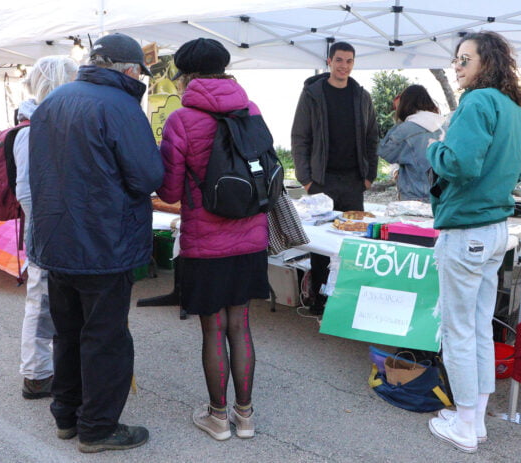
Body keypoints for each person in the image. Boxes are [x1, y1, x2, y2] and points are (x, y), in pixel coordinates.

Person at [28, 33, 165, 453]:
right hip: (105, 244)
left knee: (67, 334)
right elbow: (148, 177)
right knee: (105, 338)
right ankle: (98, 428)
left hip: (57, 239)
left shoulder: (53, 101)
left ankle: (67, 417)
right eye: (139, 71)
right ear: (128, 70)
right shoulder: (121, 106)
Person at [158, 37, 269, 441]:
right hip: (252, 238)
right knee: (240, 325)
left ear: (187, 75)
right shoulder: (251, 110)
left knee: (213, 329)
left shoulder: (181, 120)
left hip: (205, 242)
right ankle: (247, 417)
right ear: (224, 68)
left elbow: (169, 191)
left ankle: (218, 418)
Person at [426, 30, 521, 453]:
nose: (458, 66)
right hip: (494, 230)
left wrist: (433, 147)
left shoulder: (476, 102)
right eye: (456, 59)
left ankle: (466, 423)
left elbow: (460, 163)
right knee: (479, 327)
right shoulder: (514, 109)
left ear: (487, 62)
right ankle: (474, 418)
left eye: (465, 60)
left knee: (459, 331)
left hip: (468, 228)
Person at [290, 41, 379, 313]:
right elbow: (299, 137)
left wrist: (369, 176)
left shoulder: (361, 96)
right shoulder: (313, 94)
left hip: (354, 180)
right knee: (321, 244)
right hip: (321, 181)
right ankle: (318, 299)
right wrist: (307, 179)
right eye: (339, 60)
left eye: (349, 61)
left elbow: (372, 137)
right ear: (329, 61)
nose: (344, 66)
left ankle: (348, 302)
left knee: (353, 242)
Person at [12, 56, 79, 401]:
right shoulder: (31, 128)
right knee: (40, 301)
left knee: (53, 301)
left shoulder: (49, 120)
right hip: (46, 228)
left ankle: (52, 368)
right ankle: (36, 375)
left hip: (56, 226)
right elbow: (27, 190)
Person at [378, 85, 444, 201]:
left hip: (415, 196)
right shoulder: (445, 125)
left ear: (405, 104)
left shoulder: (406, 129)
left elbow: (385, 152)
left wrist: (398, 124)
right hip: (443, 195)